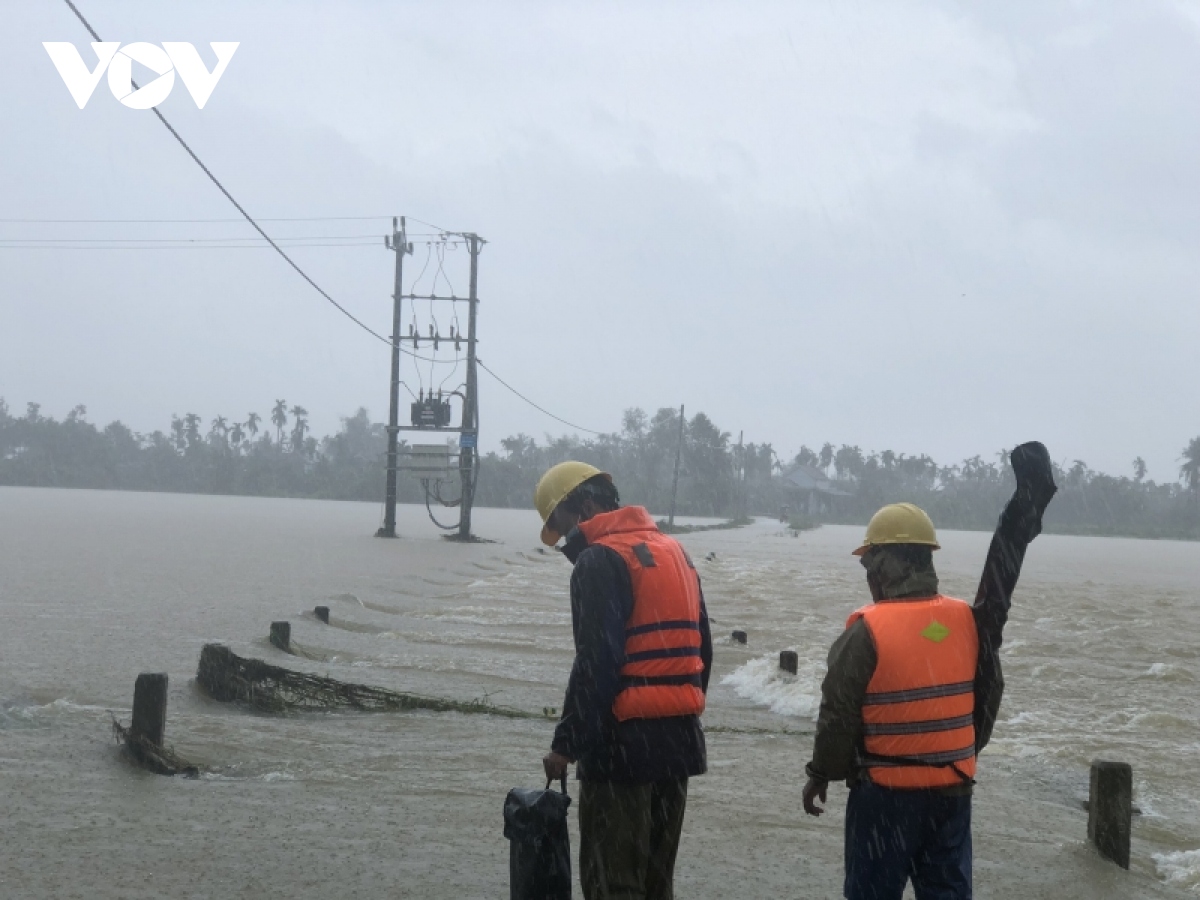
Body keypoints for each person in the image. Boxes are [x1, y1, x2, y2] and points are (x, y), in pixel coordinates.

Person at [802, 442, 1057, 900]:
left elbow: (837, 715)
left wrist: (822, 772)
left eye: (868, 564)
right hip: (951, 794)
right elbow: (990, 689)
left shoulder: (867, 633)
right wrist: (962, 750)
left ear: (884, 564)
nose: (867, 576)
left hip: (885, 799)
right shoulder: (967, 622)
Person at [535, 461, 713, 900]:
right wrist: (671, 710)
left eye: (561, 525)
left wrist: (566, 744)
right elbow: (703, 651)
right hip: (678, 745)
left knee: (613, 883)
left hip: (621, 753)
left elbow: (597, 662)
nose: (565, 541)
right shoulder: (675, 552)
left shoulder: (599, 560)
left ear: (586, 506)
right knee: (656, 884)